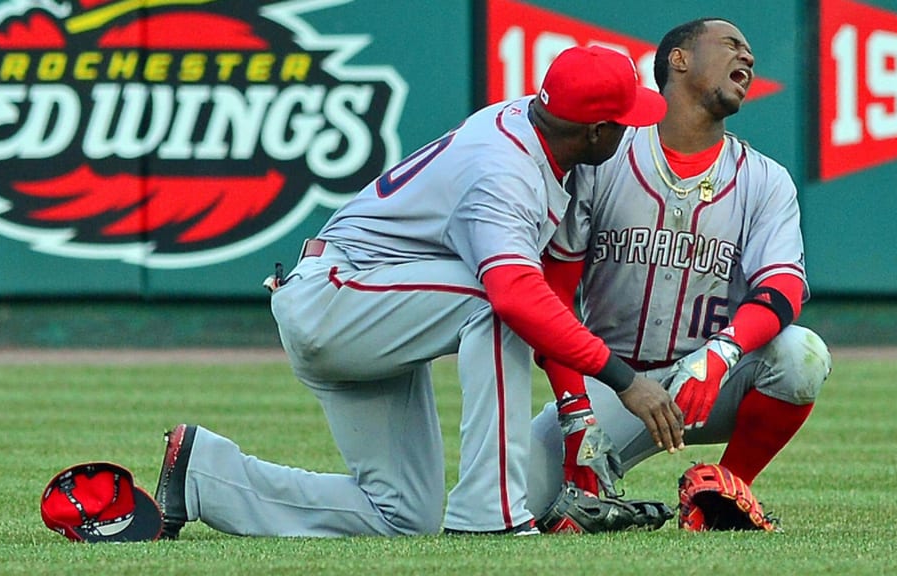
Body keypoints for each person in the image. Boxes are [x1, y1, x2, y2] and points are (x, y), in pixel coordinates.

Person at [153, 45, 681, 539]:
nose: (630, 131)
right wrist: (624, 379)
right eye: (623, 123)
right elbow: (516, 297)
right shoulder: (504, 171)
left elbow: (542, 294)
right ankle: (491, 514)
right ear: (594, 132)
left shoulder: (540, 133)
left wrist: (576, 411)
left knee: (403, 513)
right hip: (337, 297)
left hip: (375, 309)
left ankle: (207, 475)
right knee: (500, 300)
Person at [525, 18, 833, 527]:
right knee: (522, 501)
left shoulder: (764, 179)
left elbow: (782, 288)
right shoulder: (606, 157)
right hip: (614, 381)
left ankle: (724, 493)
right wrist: (575, 410)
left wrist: (722, 353)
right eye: (731, 44)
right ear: (679, 59)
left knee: (802, 355)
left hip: (712, 377)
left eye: (749, 51)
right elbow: (552, 293)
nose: (748, 57)